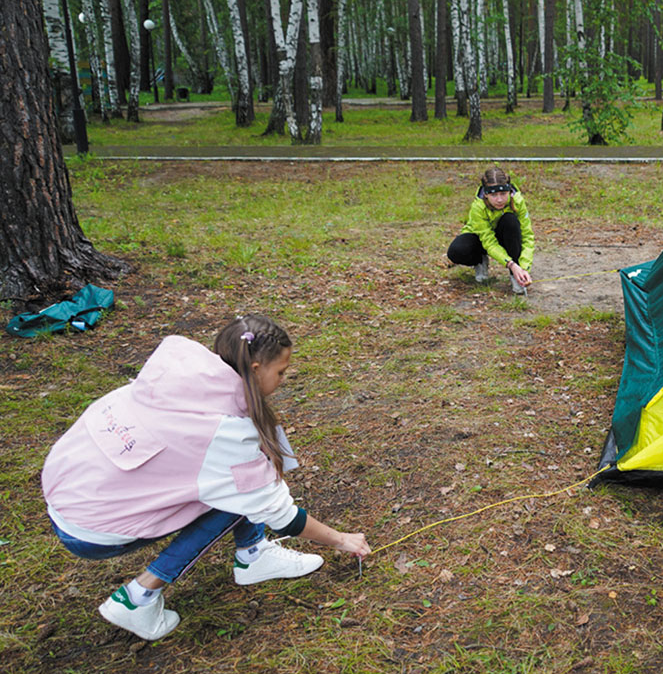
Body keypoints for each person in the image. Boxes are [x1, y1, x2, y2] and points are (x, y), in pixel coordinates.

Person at [42, 315, 371, 641]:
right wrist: (341, 539)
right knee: (245, 493)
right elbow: (279, 514)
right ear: (255, 370)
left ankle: (253, 554)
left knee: (240, 484)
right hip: (90, 529)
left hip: (68, 490)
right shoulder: (223, 434)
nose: (284, 378)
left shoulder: (181, 376)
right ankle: (137, 598)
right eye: (281, 372)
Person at [447, 167, 535, 295]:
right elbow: (488, 241)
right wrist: (510, 264)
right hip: (482, 239)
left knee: (510, 221)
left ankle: (517, 277)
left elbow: (527, 236)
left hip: (507, 237)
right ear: (486, 194)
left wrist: (523, 267)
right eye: (494, 195)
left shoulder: (517, 201)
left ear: (509, 191)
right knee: (456, 251)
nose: (499, 200)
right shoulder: (478, 207)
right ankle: (480, 261)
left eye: (503, 194)